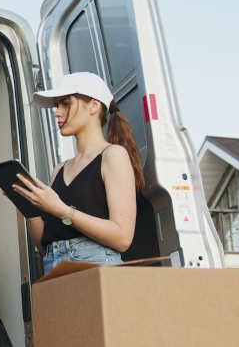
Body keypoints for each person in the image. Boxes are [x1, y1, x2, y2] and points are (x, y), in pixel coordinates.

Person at [13, 72, 145, 275]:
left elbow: (123, 237)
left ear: (93, 105)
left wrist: (62, 210)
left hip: (97, 266)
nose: (57, 113)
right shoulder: (59, 169)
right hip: (54, 267)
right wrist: (26, 205)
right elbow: (45, 247)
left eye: (65, 104)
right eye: (57, 106)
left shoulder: (113, 155)